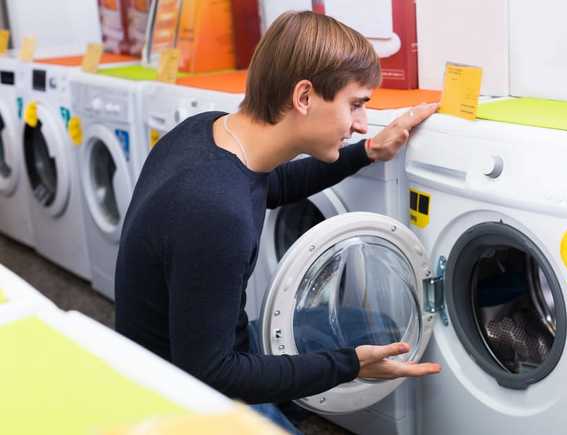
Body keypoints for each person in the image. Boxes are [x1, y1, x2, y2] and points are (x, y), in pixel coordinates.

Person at [115, 10, 440, 433]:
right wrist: (346, 366)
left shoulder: (203, 133)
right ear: (304, 97)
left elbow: (272, 183)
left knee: (370, 328)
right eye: (355, 105)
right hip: (177, 396)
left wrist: (368, 151)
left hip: (194, 353)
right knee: (358, 349)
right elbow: (213, 374)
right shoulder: (215, 212)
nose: (361, 124)